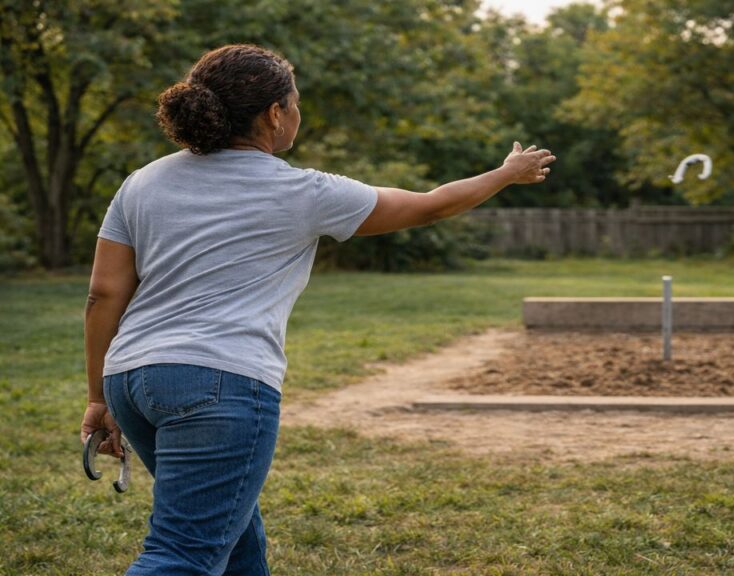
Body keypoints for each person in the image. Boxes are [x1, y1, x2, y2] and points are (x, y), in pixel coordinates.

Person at [79, 43, 555, 575]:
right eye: (296, 104)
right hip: (220, 385)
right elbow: (432, 203)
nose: (297, 115)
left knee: (235, 539)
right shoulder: (303, 191)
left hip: (131, 379)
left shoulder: (142, 182)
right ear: (275, 113)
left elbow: (104, 294)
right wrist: (507, 172)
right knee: (181, 553)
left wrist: (99, 395)